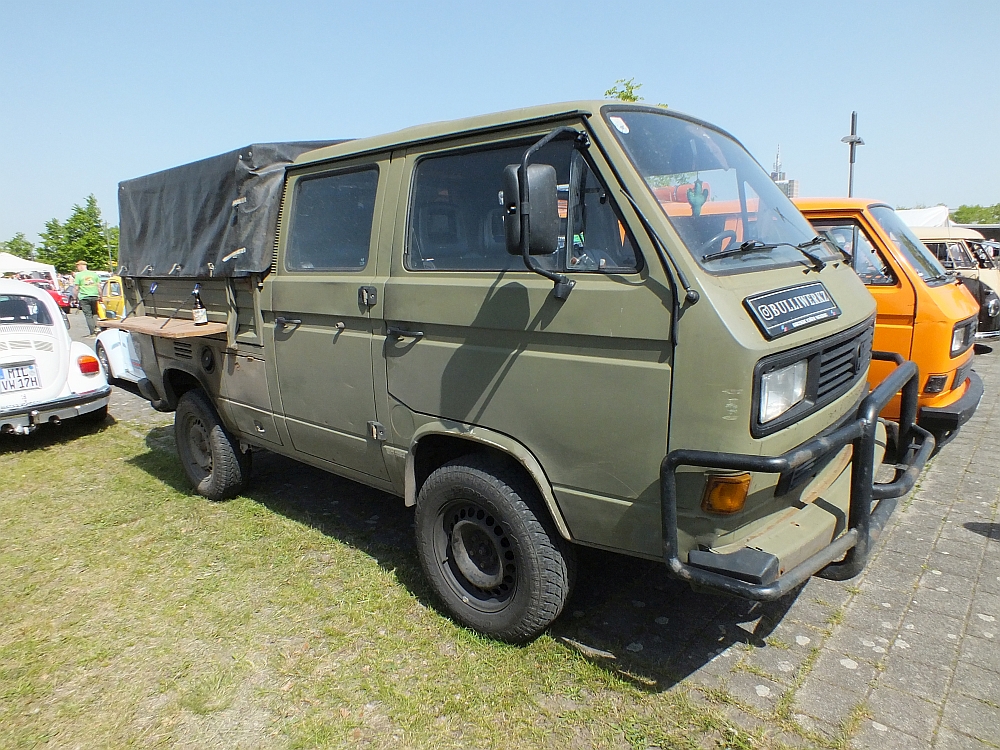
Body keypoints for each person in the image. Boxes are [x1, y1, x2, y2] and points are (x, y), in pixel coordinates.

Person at [74, 260, 102, 335]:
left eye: (77, 266)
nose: (77, 268)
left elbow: (76, 288)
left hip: (84, 297)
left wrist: (75, 298)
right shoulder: (94, 274)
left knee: (88, 315)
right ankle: (97, 328)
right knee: (95, 313)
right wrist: (101, 296)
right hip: (94, 296)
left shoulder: (79, 275)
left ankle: (92, 332)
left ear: (81, 266)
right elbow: (99, 286)